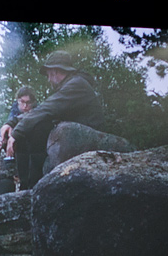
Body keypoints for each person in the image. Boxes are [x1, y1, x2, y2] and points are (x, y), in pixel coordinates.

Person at [6, 50, 104, 189]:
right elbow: (42, 111)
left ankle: (33, 187)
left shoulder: (75, 85)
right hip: (77, 132)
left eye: (48, 74)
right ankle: (26, 185)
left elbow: (46, 109)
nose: (48, 79)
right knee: (33, 127)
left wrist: (16, 133)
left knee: (37, 128)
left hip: (87, 135)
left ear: (55, 71)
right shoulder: (71, 84)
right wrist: (12, 123)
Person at [0, 86, 37, 161]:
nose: (25, 106)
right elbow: (9, 122)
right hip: (14, 139)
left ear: (32, 103)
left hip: (30, 142)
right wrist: (0, 138)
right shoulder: (15, 109)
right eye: (22, 102)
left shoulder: (38, 110)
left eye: (28, 102)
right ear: (18, 101)